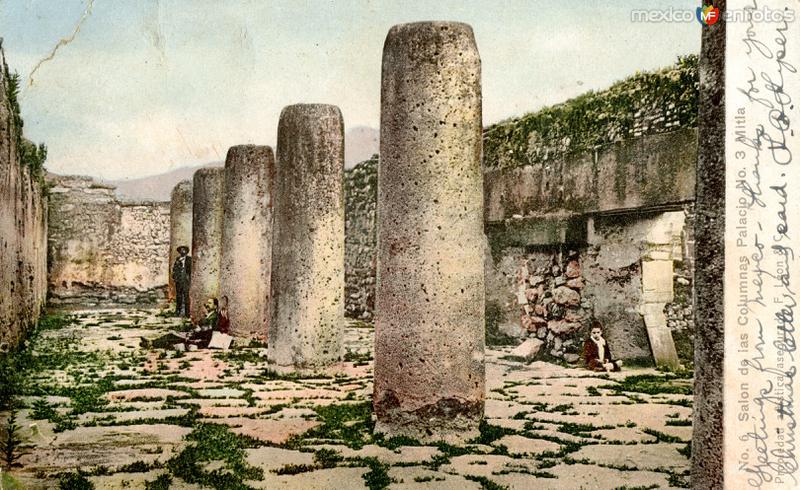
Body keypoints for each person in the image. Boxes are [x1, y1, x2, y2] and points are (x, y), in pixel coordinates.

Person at [172, 246, 192, 317]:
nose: (182, 251)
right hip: (179, 280)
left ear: (186, 251)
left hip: (185, 280)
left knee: (186, 296)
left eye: (184, 250)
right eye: (181, 250)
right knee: (179, 296)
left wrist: (189, 278)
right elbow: (174, 269)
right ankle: (178, 311)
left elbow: (191, 270)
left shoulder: (189, 259)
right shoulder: (177, 259)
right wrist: (175, 277)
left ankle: (187, 312)